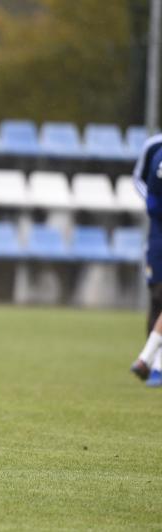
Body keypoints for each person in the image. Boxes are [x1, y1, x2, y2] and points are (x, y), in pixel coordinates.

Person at [130, 131, 162, 386]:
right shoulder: (156, 148)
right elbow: (146, 189)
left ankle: (149, 360)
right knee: (158, 296)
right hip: (159, 233)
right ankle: (152, 363)